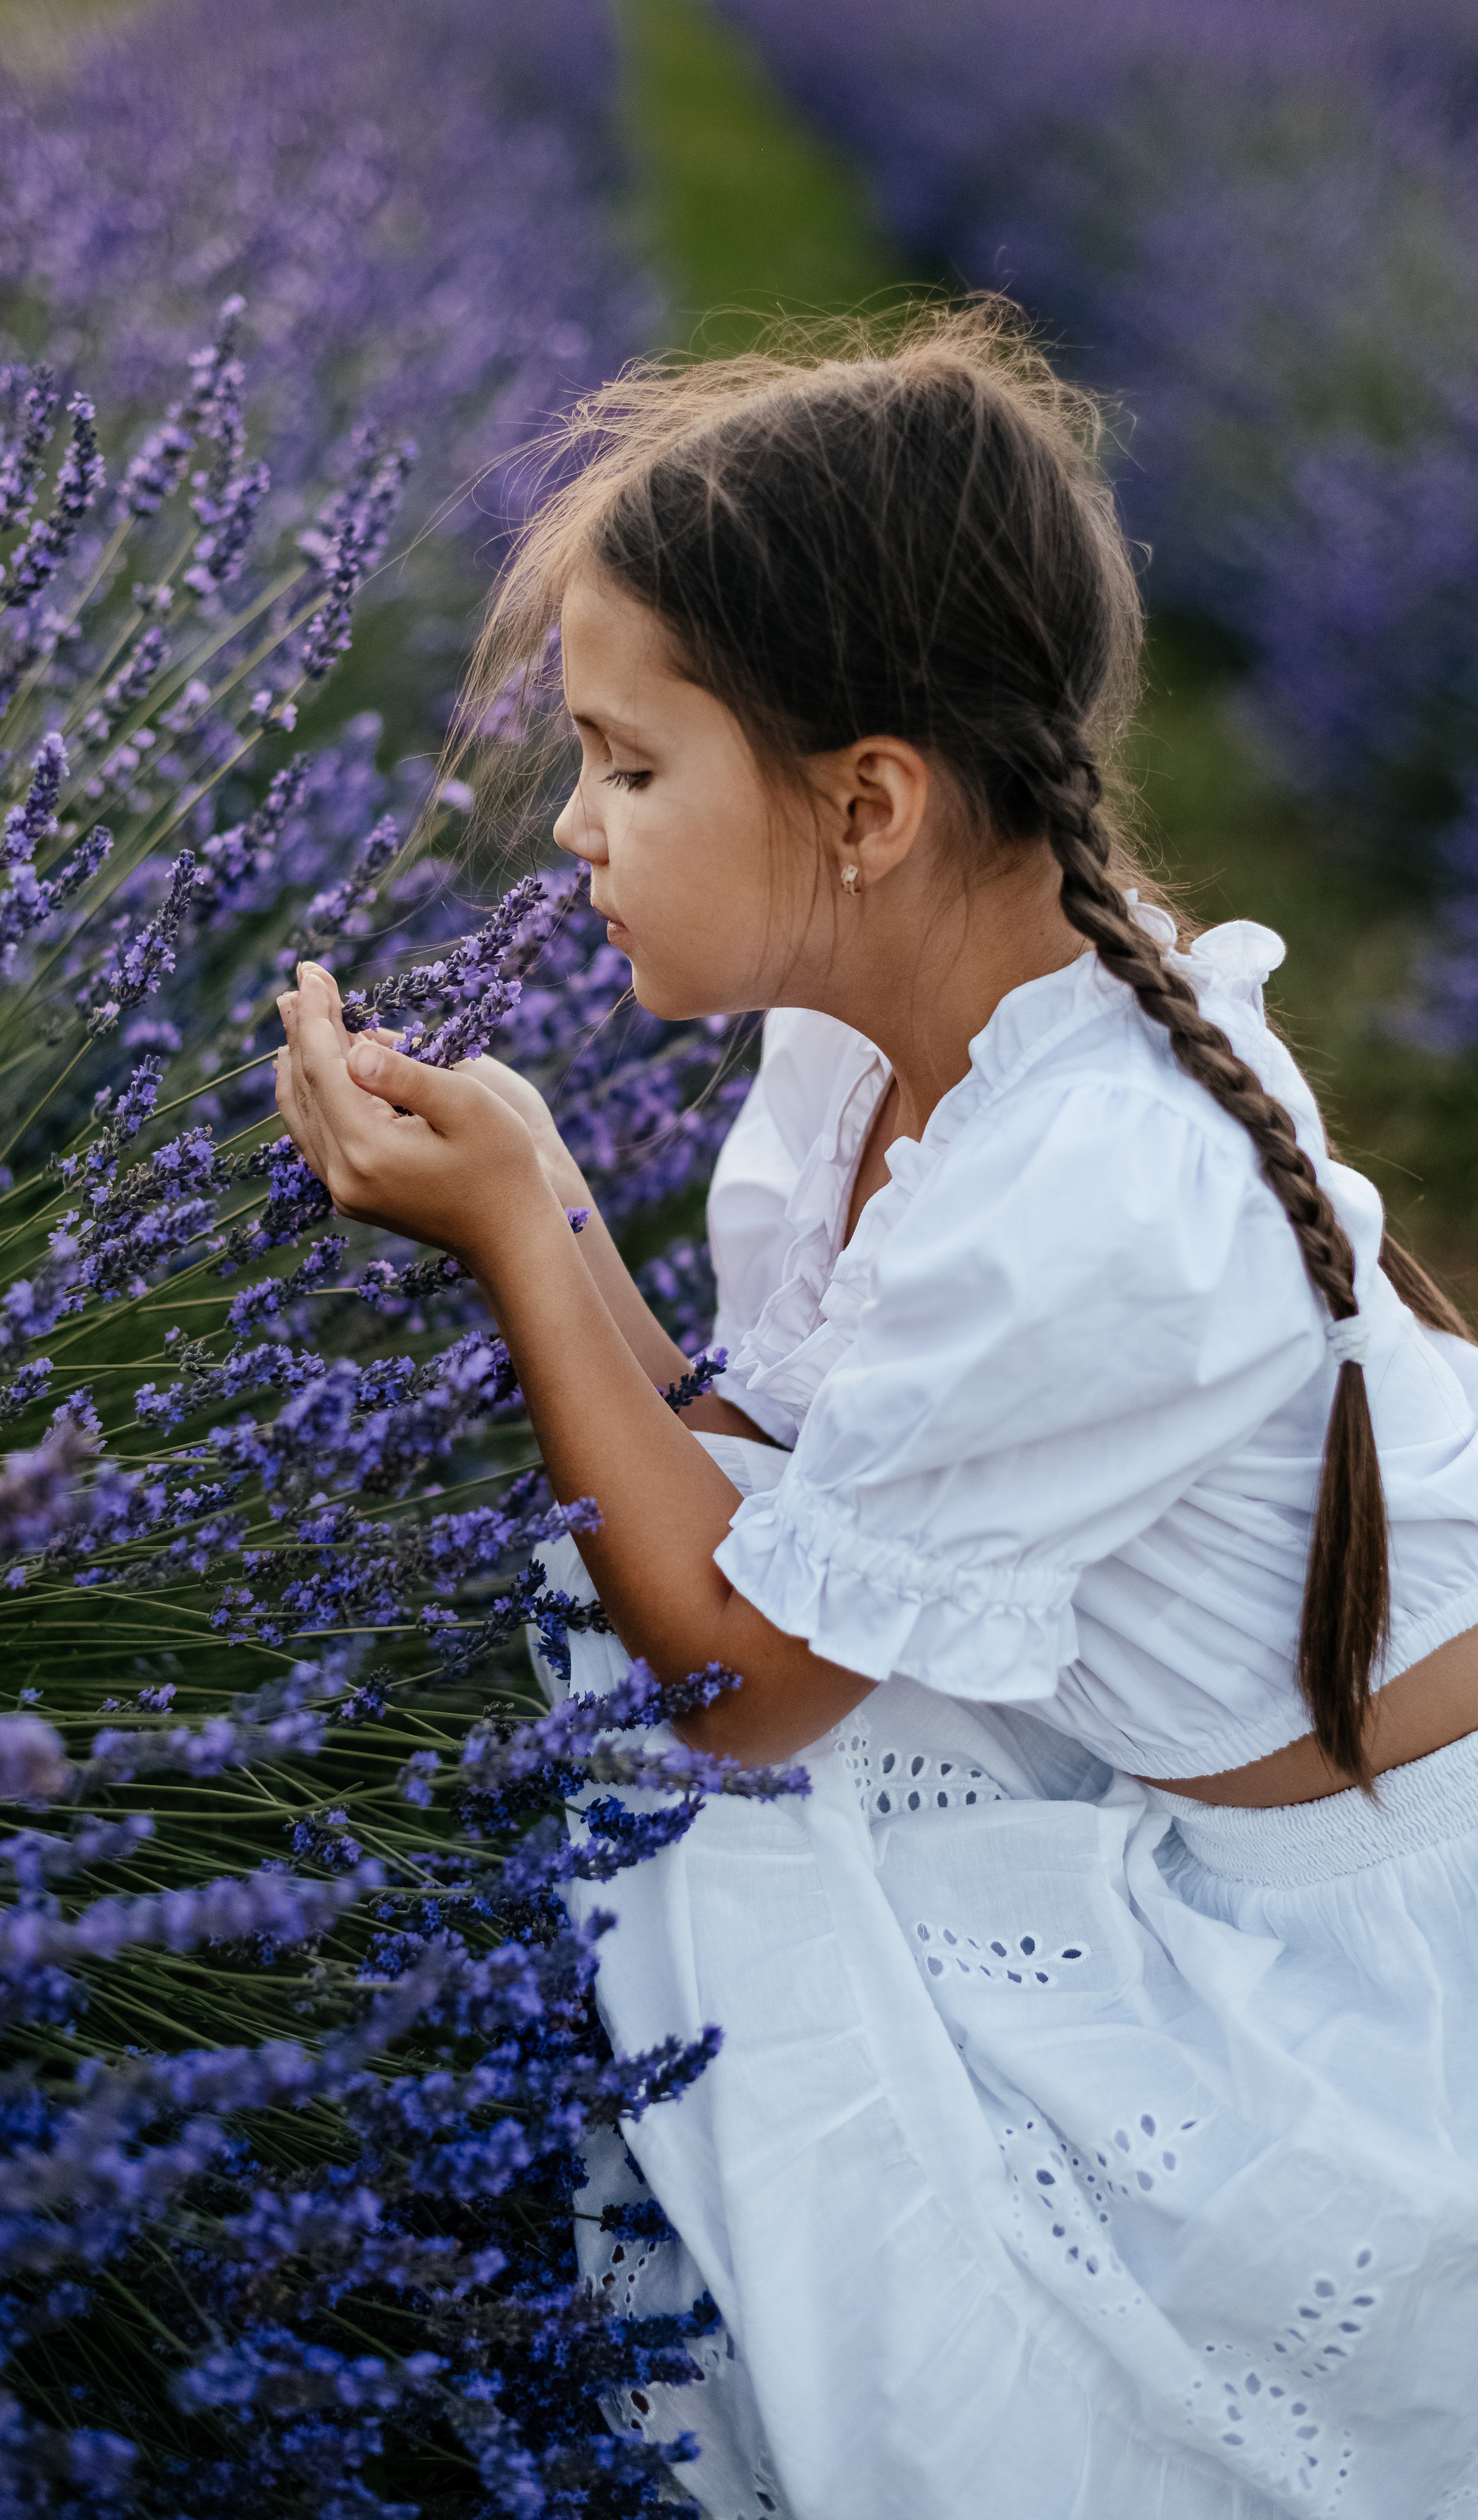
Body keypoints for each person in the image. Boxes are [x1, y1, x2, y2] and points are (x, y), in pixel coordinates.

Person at [272, 300, 1478, 2519]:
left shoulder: (1093, 1184)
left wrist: (525, 1242)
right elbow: (776, 1479)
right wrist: (539, 1184)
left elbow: (738, 1674)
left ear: (868, 806)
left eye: (629, 767)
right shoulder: (868, 1063)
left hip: (1385, 1922)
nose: (572, 830)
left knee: (729, 1866)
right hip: (1229, 1786)